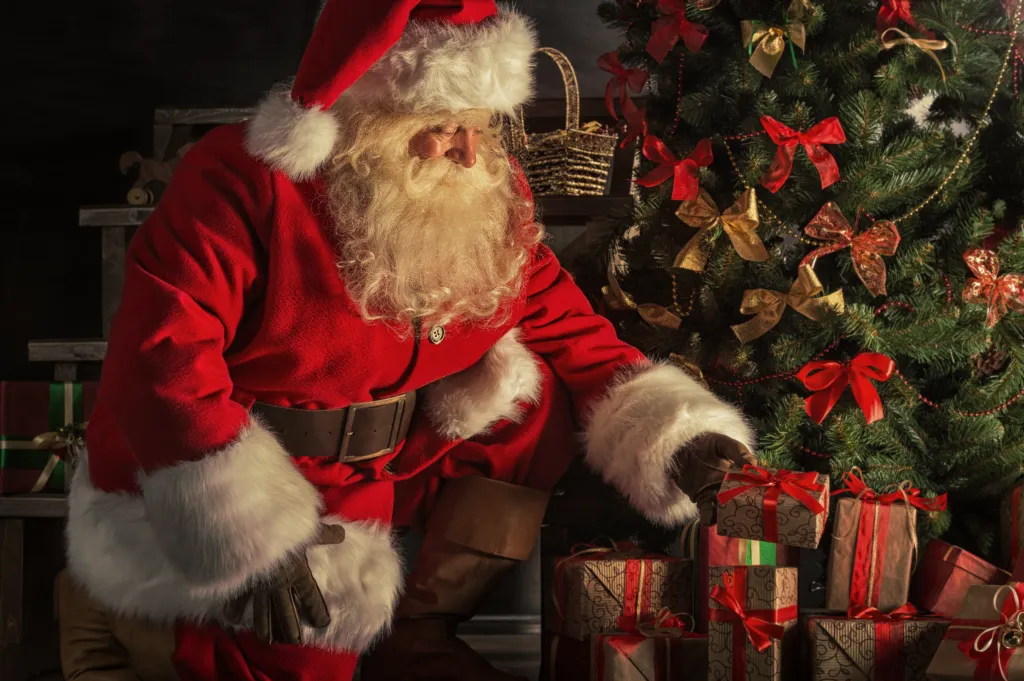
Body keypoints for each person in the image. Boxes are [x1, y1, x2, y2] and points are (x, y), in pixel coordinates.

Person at [62, 2, 755, 680]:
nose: (469, 149)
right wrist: (247, 538)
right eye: (444, 124)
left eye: (480, 123)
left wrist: (676, 434)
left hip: (383, 463)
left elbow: (566, 323)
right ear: (367, 121)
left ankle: (418, 631)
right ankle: (117, 616)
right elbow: (158, 361)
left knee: (525, 407)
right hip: (251, 466)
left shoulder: (480, 189)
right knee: (278, 653)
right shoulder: (242, 180)